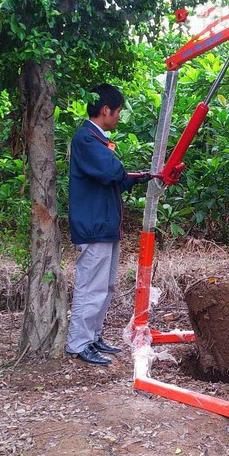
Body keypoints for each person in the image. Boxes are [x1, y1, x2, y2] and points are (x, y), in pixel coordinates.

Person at [65, 84, 151, 365]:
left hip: (104, 226)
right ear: (105, 110)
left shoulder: (97, 141)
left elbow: (116, 179)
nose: (118, 117)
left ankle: (93, 336)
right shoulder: (87, 140)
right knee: (91, 287)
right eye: (117, 112)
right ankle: (78, 343)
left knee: (105, 287)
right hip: (93, 226)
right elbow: (112, 171)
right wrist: (123, 171)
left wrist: (141, 177)